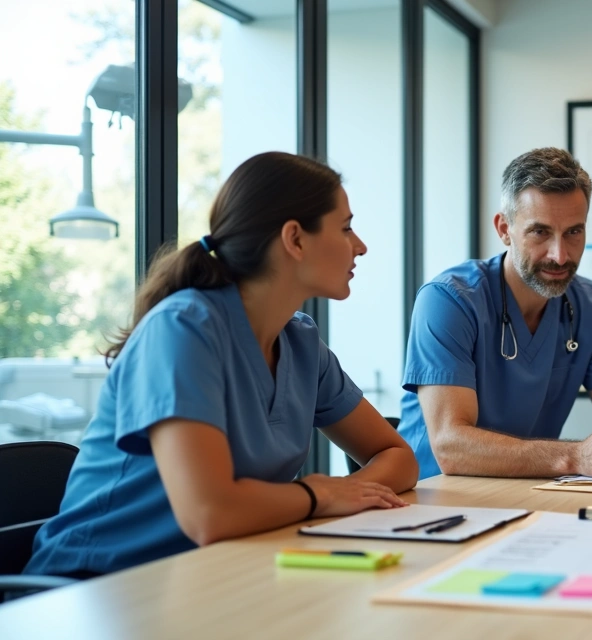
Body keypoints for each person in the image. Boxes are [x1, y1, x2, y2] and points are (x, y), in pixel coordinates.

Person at [25, 152, 419, 578]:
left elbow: (397, 454)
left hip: (210, 574)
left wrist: (350, 490)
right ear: (295, 239)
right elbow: (209, 513)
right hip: (93, 588)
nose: (359, 245)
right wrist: (317, 494)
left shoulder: (300, 341)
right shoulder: (182, 330)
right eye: (345, 228)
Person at [399, 147, 592, 480]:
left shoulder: (590, 305)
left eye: (574, 232)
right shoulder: (449, 301)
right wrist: (574, 456)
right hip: (434, 499)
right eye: (540, 232)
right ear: (504, 229)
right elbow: (451, 446)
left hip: (528, 495)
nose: (559, 255)